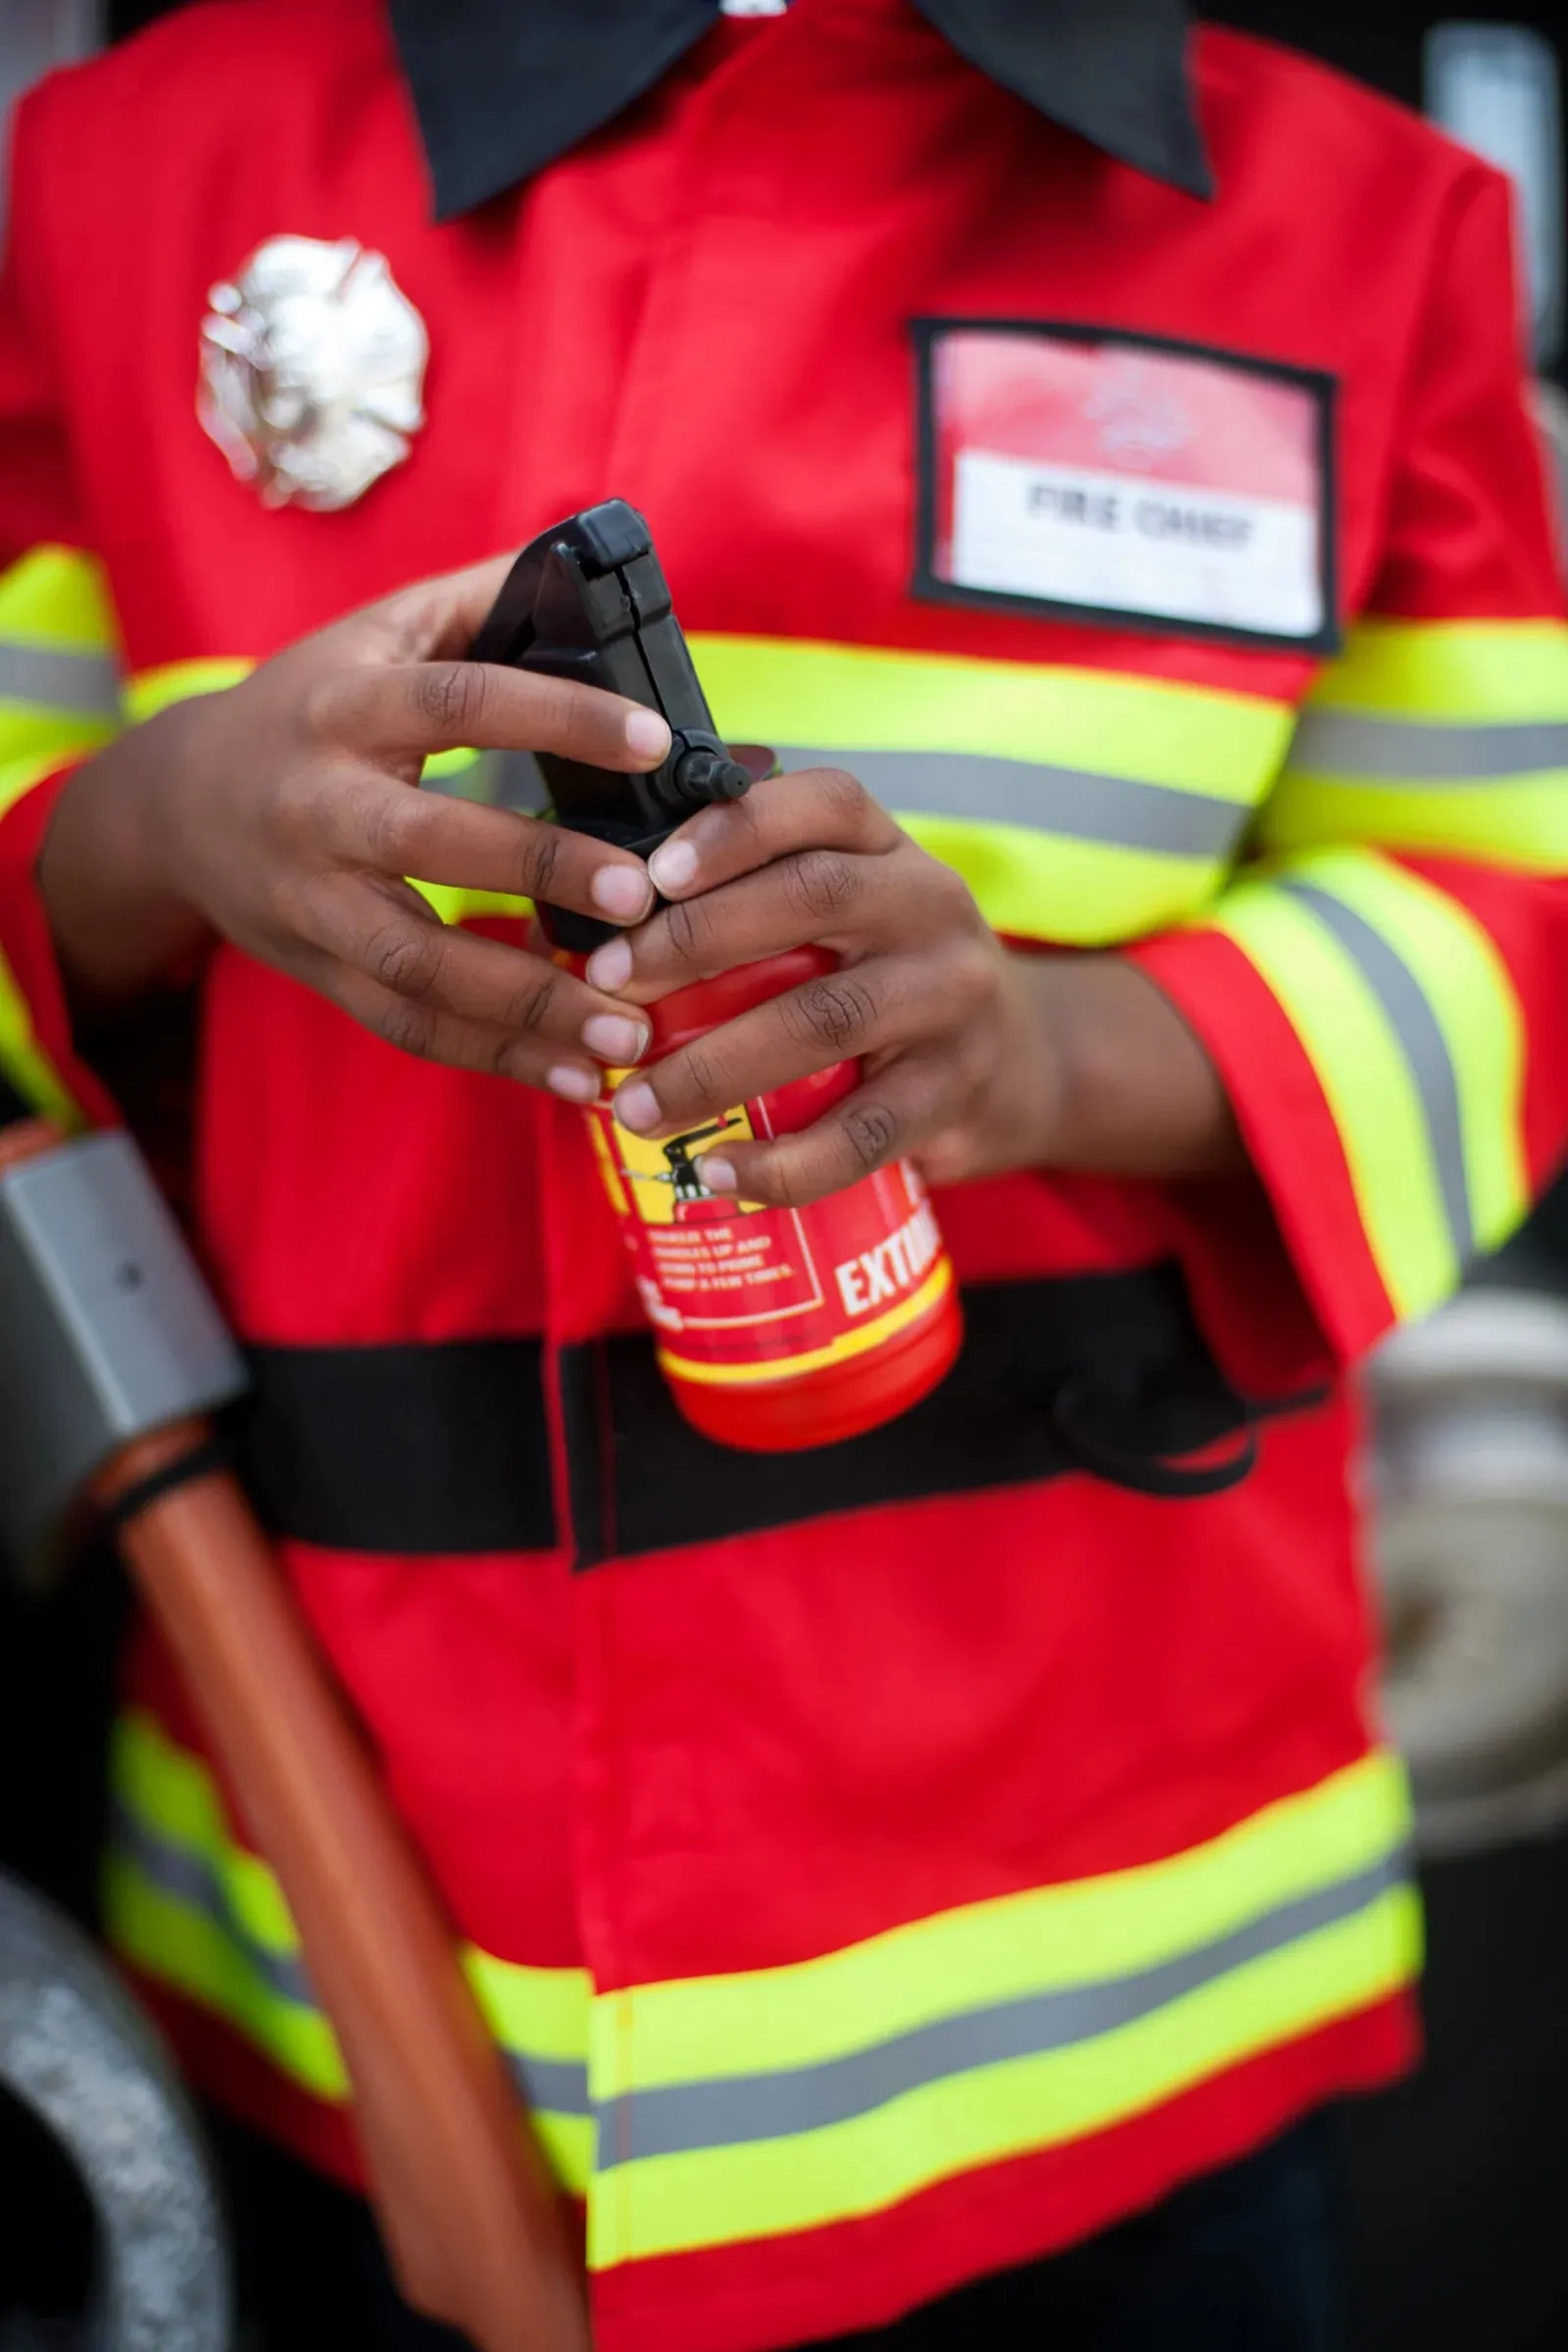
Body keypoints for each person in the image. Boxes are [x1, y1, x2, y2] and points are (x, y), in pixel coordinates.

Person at [0, 0, 1565, 2345]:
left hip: (1107, 2004)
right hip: (349, 1971)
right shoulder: (124, 165)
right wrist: (161, 819)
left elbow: (1508, 901)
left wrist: (1050, 1049)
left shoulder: (1361, 222)